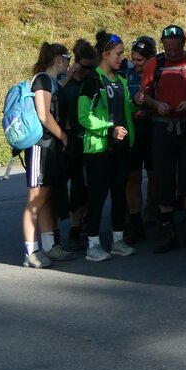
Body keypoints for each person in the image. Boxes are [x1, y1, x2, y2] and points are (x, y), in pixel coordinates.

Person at [142, 24, 186, 253]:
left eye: (177, 50)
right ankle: (166, 227)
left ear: (183, 45)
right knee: (163, 177)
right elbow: (145, 95)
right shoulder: (154, 64)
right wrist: (157, 104)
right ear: (163, 46)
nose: (173, 54)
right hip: (162, 127)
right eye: (169, 50)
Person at [78, 31, 137, 262]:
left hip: (121, 147)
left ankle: (117, 240)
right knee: (98, 196)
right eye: (118, 54)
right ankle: (92, 245)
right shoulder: (91, 82)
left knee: (119, 195)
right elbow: (84, 116)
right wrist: (109, 129)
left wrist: (135, 104)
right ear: (105, 54)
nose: (122, 58)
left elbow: (123, 110)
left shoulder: (120, 79)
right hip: (99, 149)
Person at [21, 42, 77, 269]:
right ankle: (31, 251)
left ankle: (49, 246)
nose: (69, 63)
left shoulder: (53, 82)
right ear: (59, 59)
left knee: (46, 199)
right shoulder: (43, 80)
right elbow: (44, 115)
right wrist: (64, 136)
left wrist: (69, 78)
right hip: (40, 147)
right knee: (35, 199)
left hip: (50, 148)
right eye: (68, 59)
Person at [58, 38, 97, 250]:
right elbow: (54, 100)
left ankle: (85, 224)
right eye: (85, 67)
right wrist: (70, 76)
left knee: (89, 186)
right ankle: (73, 227)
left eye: (92, 67)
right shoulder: (68, 82)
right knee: (75, 186)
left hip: (90, 138)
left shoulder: (93, 81)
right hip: (71, 138)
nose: (88, 71)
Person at [123, 35, 157, 243]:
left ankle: (151, 210)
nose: (135, 64)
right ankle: (133, 217)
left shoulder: (158, 74)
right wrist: (133, 102)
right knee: (132, 176)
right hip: (133, 132)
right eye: (133, 59)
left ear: (150, 59)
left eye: (139, 61)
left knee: (154, 176)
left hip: (152, 130)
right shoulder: (126, 75)